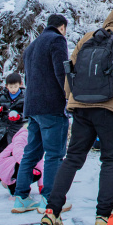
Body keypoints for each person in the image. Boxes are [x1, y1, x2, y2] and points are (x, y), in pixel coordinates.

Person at [39, 4, 113, 225]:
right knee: (110, 160)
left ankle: (52, 210)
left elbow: (71, 70)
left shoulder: (88, 38)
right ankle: (104, 213)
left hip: (82, 108)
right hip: (111, 110)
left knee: (72, 159)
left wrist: (71, 100)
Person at [11, 14, 71, 213]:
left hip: (33, 107)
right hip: (51, 106)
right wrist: (69, 96)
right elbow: (61, 72)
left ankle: (21, 198)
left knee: (31, 152)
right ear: (62, 27)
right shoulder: (57, 40)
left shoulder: (32, 45)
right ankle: (50, 200)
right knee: (54, 154)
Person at [0, 72, 27, 185]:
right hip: (3, 128)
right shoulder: (2, 95)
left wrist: (19, 117)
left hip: (18, 129)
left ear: (20, 84)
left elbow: (29, 112)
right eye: (10, 87)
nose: (13, 89)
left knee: (16, 151)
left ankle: (14, 174)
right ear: (6, 86)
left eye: (15, 86)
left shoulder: (25, 96)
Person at [0, 126, 45, 196]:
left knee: (37, 173)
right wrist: (28, 166)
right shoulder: (23, 136)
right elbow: (18, 153)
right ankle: (16, 192)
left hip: (17, 163)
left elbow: (40, 163)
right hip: (5, 163)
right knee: (27, 168)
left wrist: (42, 185)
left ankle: (10, 182)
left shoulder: (38, 140)